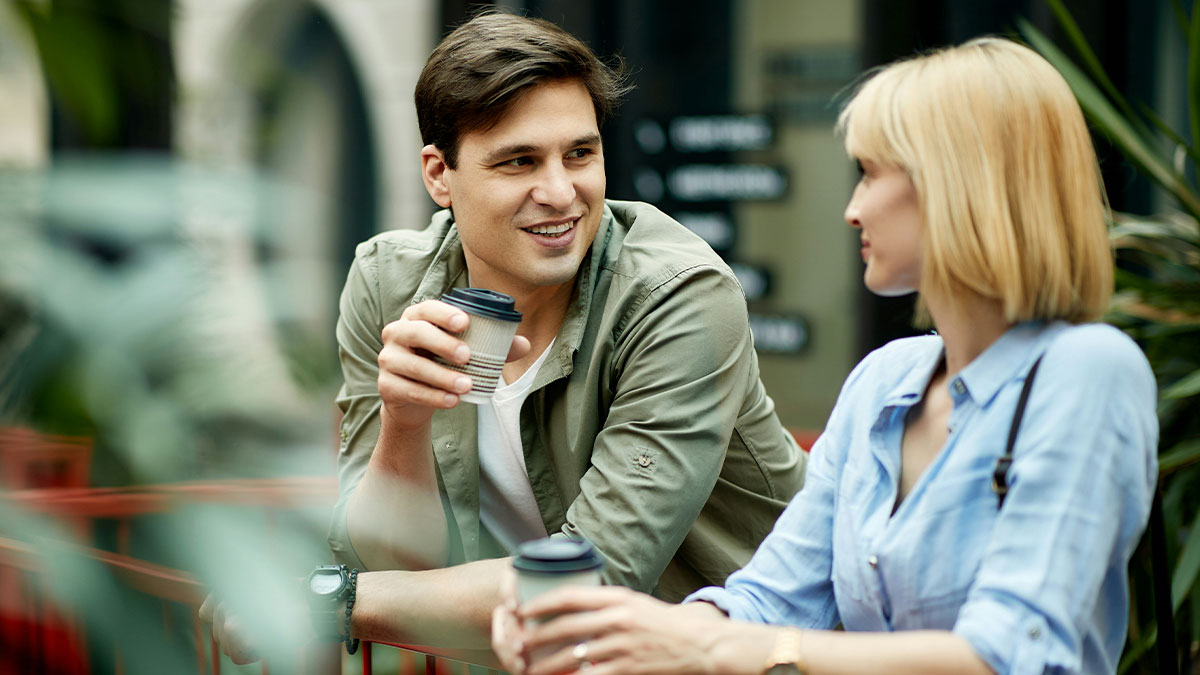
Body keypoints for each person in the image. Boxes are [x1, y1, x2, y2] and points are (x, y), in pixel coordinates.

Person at [492, 37, 1158, 675]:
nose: (851, 209)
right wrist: (601, 627)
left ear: (958, 187)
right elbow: (770, 598)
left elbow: (1003, 653)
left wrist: (714, 652)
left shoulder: (1085, 370)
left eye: (869, 173)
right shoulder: (884, 382)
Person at [200, 9, 805, 667]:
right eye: (519, 161)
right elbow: (393, 559)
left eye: (581, 153)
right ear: (439, 175)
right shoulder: (389, 280)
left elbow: (590, 581)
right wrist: (404, 421)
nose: (560, 192)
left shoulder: (676, 295)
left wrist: (325, 601)